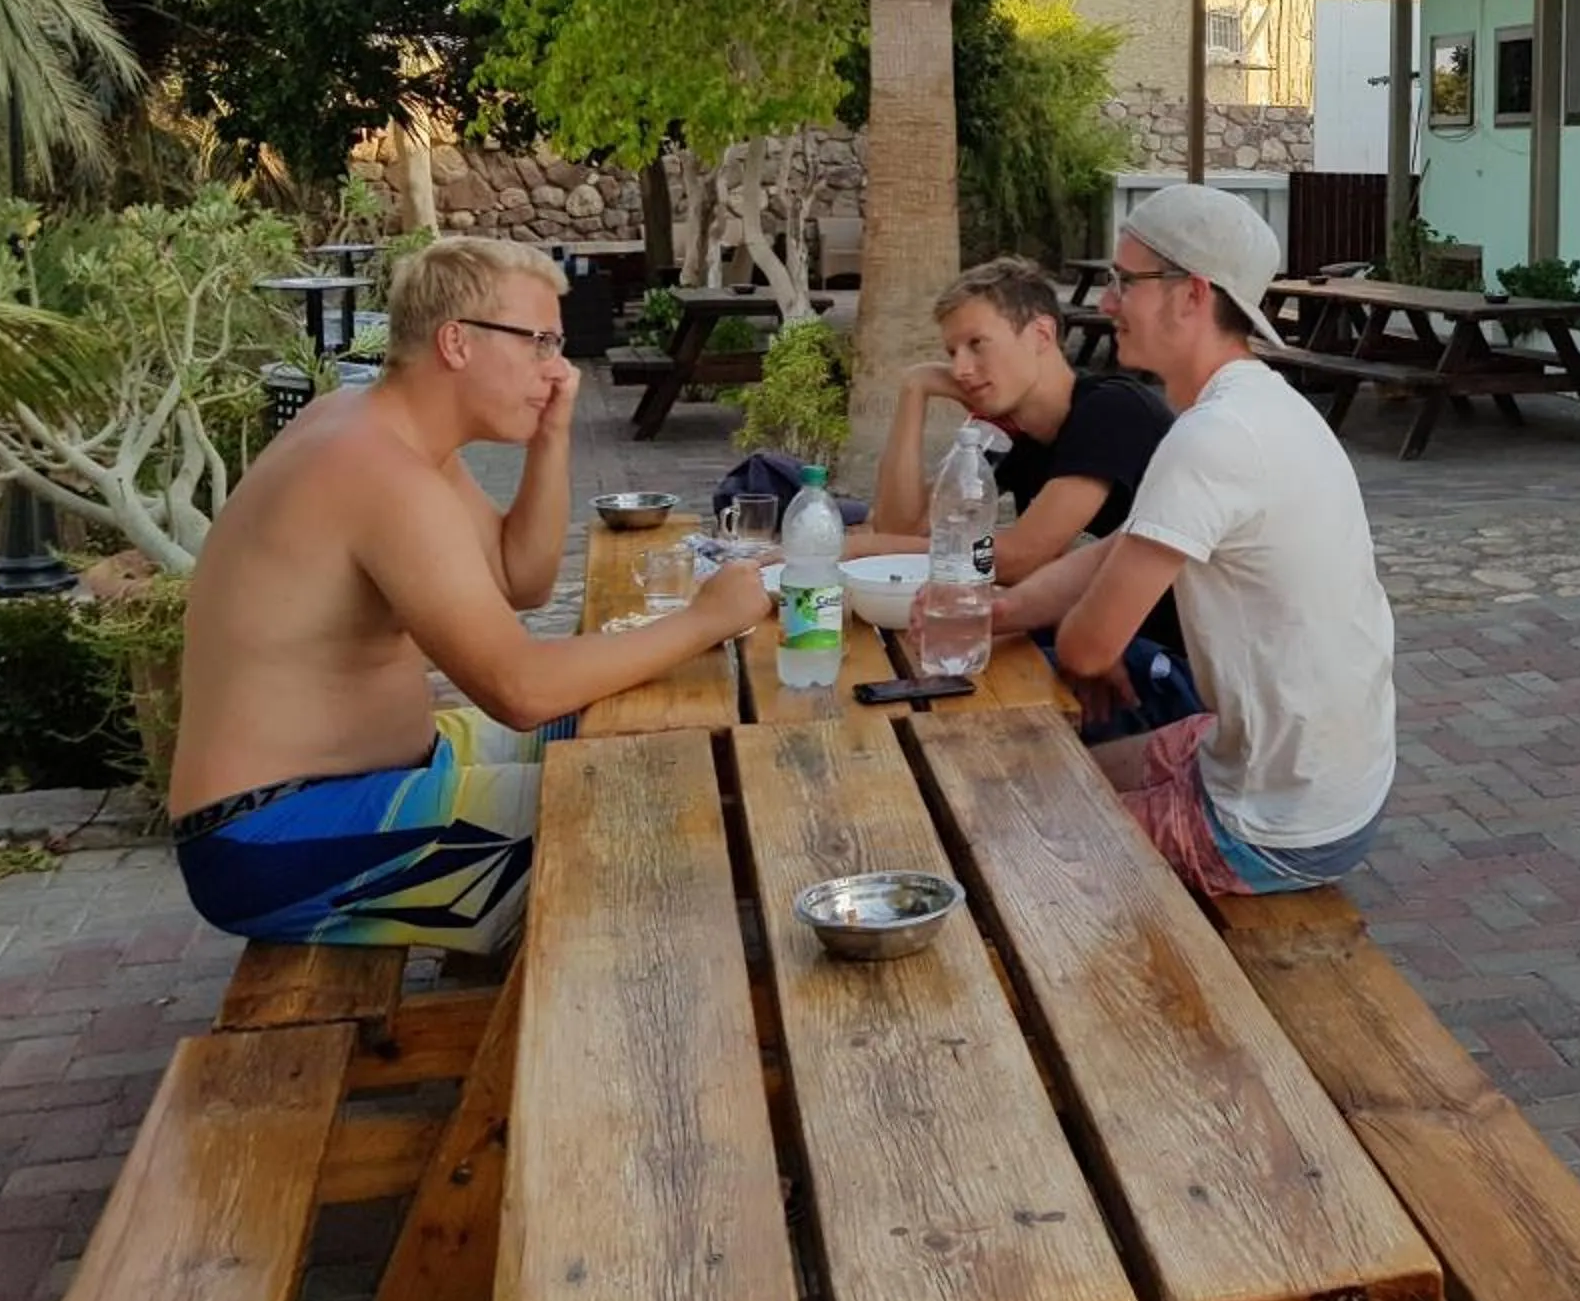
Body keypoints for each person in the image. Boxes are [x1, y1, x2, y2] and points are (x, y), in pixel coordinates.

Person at [169, 236, 771, 953]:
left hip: (373, 781)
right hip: (274, 835)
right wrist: (707, 618)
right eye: (540, 343)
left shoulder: (385, 430)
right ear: (457, 342)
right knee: (638, 808)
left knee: (624, 729)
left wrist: (551, 434)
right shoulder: (376, 470)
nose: (558, 369)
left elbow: (522, 579)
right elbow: (516, 687)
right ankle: (589, 1038)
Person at [992, 186, 1395, 896]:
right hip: (1320, 782)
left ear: (1192, 295)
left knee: (1006, 842)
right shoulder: (1261, 405)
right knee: (1043, 769)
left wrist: (1077, 627)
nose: (1107, 301)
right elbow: (1113, 551)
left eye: (1126, 281)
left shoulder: (1213, 437)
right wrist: (994, 613)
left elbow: (1089, 649)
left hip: (1277, 826)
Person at [859, 257, 1193, 733]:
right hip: (1102, 639)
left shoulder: (1113, 411)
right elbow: (900, 524)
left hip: (1172, 666)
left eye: (977, 344)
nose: (962, 369)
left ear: (1040, 335)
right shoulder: (1008, 431)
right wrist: (915, 391)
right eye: (951, 352)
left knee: (954, 723)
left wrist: (869, 547)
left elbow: (1019, 556)